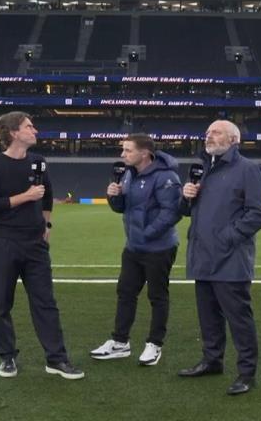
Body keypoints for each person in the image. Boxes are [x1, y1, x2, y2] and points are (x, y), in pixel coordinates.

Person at [0, 111, 84, 380]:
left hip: (35, 243)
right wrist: (25, 197)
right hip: (4, 242)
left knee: (45, 302)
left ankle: (56, 359)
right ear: (14, 132)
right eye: (29, 126)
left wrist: (46, 224)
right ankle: (7, 357)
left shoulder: (39, 162)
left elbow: (47, 196)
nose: (35, 130)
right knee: (0, 303)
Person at [177, 120, 261, 395]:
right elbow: (187, 210)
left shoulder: (248, 169)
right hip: (202, 255)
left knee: (239, 319)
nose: (209, 136)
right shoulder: (203, 168)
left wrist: (227, 237)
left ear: (233, 139)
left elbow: (258, 213)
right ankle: (212, 360)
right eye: (207, 132)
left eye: (216, 132)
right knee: (208, 317)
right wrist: (186, 196)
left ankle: (246, 373)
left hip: (230, 258)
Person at [90, 133, 182, 366]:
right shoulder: (129, 174)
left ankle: (155, 344)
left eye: (128, 150)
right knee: (126, 293)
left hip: (159, 248)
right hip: (133, 247)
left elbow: (172, 212)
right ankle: (120, 342)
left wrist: (147, 233)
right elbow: (123, 208)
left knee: (157, 296)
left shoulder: (166, 177)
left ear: (144, 153)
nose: (123, 154)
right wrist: (113, 197)